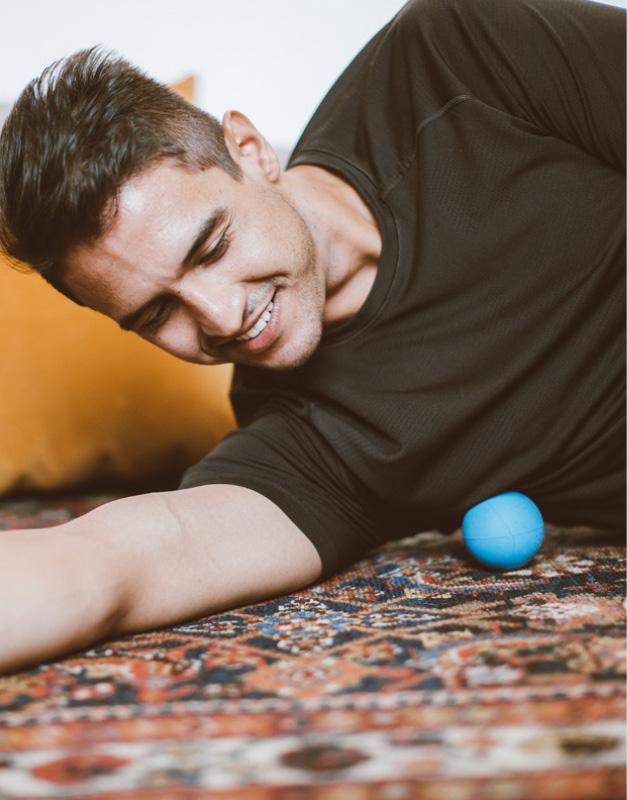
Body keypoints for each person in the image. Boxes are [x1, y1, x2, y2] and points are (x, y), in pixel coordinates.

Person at [0, 0, 624, 675]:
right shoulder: (303, 435)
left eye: (210, 247)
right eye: (156, 315)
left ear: (250, 150)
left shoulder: (461, 54)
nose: (221, 318)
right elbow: (117, 561)